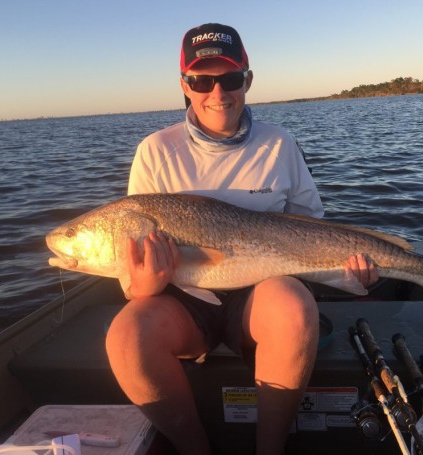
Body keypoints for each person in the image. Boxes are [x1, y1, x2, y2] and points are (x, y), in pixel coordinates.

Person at [105, 23, 378, 455]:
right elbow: (134, 289)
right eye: (202, 80)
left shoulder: (280, 144)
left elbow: (310, 228)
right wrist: (147, 281)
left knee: (293, 305)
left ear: (247, 80)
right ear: (185, 86)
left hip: (259, 292)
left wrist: (350, 270)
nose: (218, 92)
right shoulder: (155, 152)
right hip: (182, 299)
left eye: (230, 78)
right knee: (126, 336)